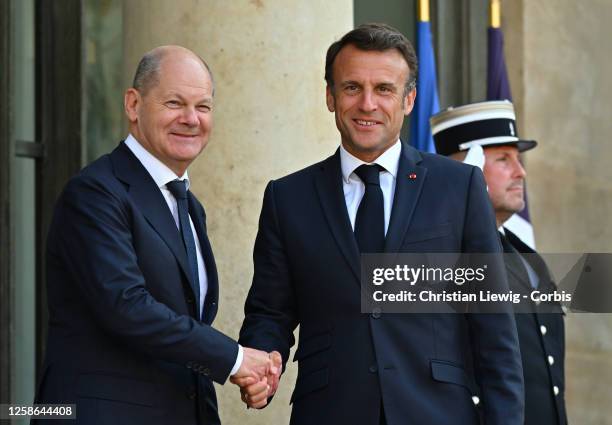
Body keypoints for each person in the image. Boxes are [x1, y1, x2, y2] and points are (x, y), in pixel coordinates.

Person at [237, 24, 524, 425]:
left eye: (384, 89)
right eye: (352, 87)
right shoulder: (288, 198)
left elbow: (493, 326)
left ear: (409, 100)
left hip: (439, 413)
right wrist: (262, 361)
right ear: (330, 97)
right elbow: (269, 312)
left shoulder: (458, 187)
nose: (367, 104)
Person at [33, 45, 279, 425]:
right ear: (133, 105)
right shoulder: (95, 192)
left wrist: (249, 368)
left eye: (203, 107)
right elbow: (127, 306)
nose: (191, 119)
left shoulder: (188, 205)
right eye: (174, 103)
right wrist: (235, 360)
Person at [431, 100, 567, 424]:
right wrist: (461, 188)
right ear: (468, 168)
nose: (521, 172)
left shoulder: (527, 258)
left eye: (518, 159)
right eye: (503, 159)